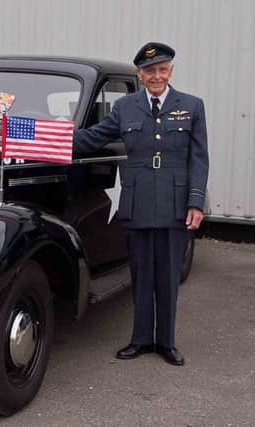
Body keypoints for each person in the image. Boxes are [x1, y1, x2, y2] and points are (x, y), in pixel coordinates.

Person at [73, 42, 209, 366]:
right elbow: (90, 138)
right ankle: (141, 339)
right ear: (140, 73)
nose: (156, 76)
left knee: (168, 276)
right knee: (142, 274)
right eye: (150, 71)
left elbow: (199, 159)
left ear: (170, 71)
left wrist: (196, 202)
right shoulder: (125, 107)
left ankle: (167, 343)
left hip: (176, 205)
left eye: (162, 70)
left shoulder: (191, 106)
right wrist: (32, 134)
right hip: (138, 203)